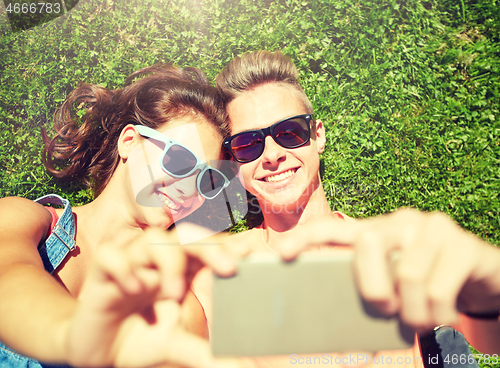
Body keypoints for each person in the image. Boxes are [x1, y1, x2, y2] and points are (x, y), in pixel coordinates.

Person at [192, 50, 500, 368]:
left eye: (289, 133)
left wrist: (489, 286)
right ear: (233, 163)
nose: (271, 154)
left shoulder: (394, 249)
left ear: (317, 135)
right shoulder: (215, 272)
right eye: (248, 144)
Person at [0, 65, 245, 368]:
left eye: (207, 179)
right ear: (130, 141)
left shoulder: (179, 308)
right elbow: (8, 281)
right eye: (180, 159)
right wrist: (79, 335)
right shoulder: (22, 218)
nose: (188, 188)